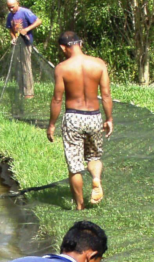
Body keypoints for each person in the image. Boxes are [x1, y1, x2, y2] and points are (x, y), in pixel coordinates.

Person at [48, 31, 113, 210]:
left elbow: (57, 99)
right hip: (94, 116)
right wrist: (109, 118)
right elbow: (106, 95)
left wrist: (52, 124)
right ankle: (96, 179)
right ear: (81, 44)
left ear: (63, 48)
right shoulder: (99, 64)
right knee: (94, 156)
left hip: (73, 117)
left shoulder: (62, 68)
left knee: (75, 166)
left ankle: (80, 206)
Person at [5, 0, 41, 99]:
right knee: (19, 68)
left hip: (26, 43)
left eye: (12, 7)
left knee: (26, 67)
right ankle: (21, 91)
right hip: (17, 45)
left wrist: (27, 29)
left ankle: (29, 93)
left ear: (17, 4)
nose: (11, 9)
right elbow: (10, 29)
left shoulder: (25, 12)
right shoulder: (10, 16)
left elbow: (38, 21)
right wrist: (13, 38)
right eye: (9, 8)